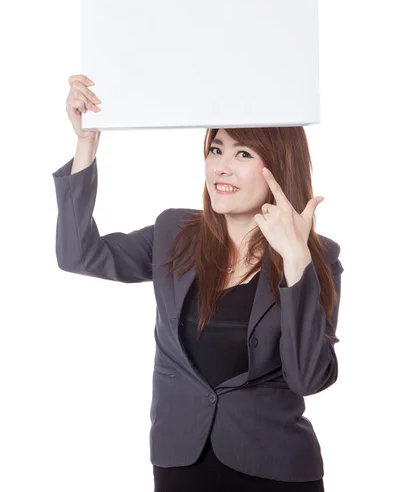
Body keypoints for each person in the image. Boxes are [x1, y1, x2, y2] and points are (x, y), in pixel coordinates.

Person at [52, 74, 344, 492]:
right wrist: (86, 144)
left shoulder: (318, 257)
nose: (221, 166)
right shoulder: (175, 232)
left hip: (276, 469)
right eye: (215, 148)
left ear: (278, 166)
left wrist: (296, 262)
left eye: (243, 153)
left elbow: (308, 379)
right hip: (180, 463)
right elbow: (78, 254)